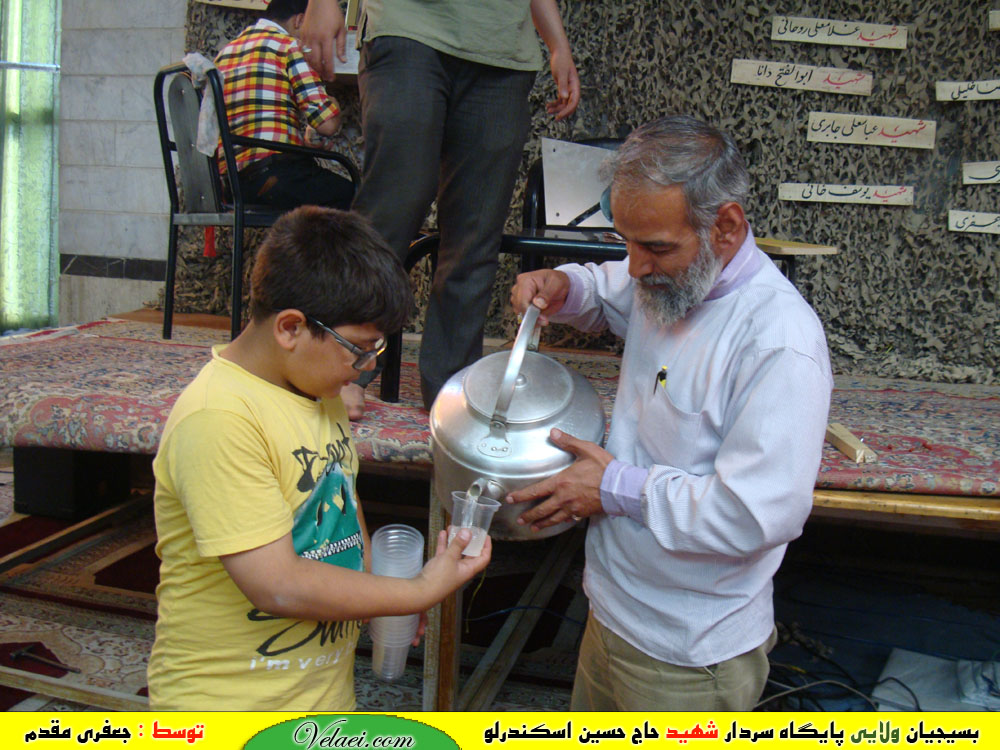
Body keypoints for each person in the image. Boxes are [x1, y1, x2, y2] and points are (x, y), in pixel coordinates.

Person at [507, 115, 833, 711]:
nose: (636, 266)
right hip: (610, 611)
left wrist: (615, 487)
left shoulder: (778, 343)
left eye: (655, 247)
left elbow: (755, 514)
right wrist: (565, 285)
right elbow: (611, 290)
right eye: (626, 241)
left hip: (689, 654)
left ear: (726, 226)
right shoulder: (672, 277)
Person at [146, 206, 491, 711]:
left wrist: (380, 597)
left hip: (319, 702)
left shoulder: (316, 390)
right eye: (359, 349)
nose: (366, 367)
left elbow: (342, 503)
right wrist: (418, 591)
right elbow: (278, 586)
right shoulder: (218, 418)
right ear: (290, 328)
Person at [298, 0, 580, 415]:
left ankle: (450, 386)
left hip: (502, 50)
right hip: (409, 27)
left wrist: (558, 45)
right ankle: (343, 368)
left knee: (476, 231)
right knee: (390, 211)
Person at [214, 0, 354, 211]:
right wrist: (333, 105)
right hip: (275, 178)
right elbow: (327, 125)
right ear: (300, 21)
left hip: (232, 187)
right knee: (354, 196)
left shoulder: (224, 54)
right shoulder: (290, 46)